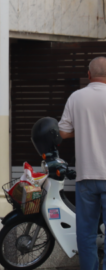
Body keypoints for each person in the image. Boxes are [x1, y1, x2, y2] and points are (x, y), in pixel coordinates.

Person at [58, 56, 106, 270]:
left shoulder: (76, 97)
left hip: (85, 177)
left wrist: (85, 129)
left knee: (85, 235)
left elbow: (63, 132)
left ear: (88, 75)